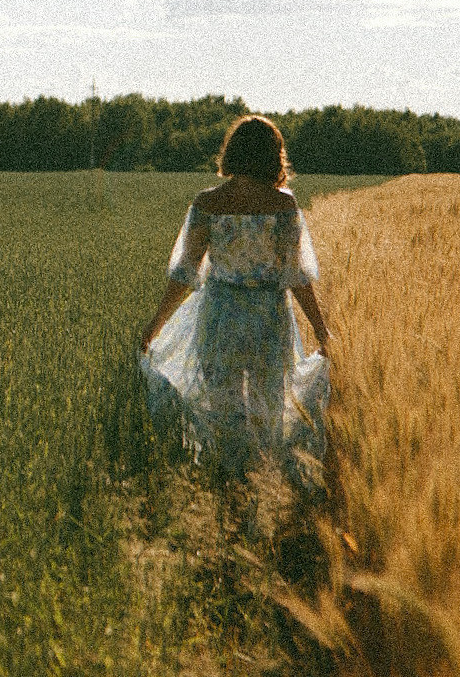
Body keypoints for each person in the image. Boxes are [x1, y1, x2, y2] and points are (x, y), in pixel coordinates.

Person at [140, 115, 331, 483]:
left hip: (220, 315)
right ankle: (262, 489)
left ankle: (227, 489)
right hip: (268, 319)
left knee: (223, 410)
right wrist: (322, 332)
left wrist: (156, 323)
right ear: (273, 156)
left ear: (232, 153)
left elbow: (185, 274)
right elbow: (297, 278)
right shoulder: (283, 206)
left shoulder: (208, 203)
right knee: (267, 412)